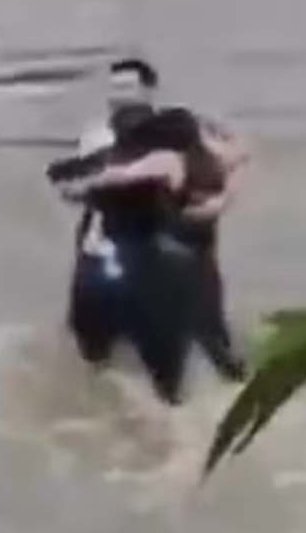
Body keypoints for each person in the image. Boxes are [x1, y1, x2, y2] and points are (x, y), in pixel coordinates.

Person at [61, 58, 248, 382]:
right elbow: (83, 183)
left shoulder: (181, 133)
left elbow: (235, 160)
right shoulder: (97, 136)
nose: (120, 95)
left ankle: (227, 367)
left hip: (173, 239)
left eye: (128, 88)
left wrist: (221, 201)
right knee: (86, 323)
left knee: (212, 335)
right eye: (115, 88)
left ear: (148, 91)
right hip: (112, 238)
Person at [52, 109, 222, 404]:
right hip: (167, 280)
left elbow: (71, 184)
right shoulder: (190, 172)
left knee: (95, 360)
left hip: (122, 278)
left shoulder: (129, 178)